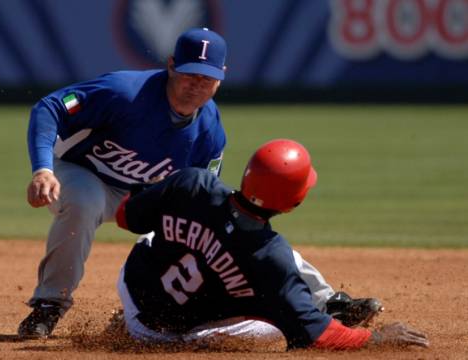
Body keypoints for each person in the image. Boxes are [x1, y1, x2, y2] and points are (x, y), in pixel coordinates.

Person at [114, 139, 429, 350]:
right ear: (294, 202)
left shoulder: (193, 183)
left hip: (132, 292)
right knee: (280, 322)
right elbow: (315, 336)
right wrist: (375, 339)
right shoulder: (269, 256)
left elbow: (125, 216)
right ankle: (325, 308)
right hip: (168, 338)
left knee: (155, 238)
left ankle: (122, 323)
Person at [18, 27, 228, 338]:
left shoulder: (210, 132)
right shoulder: (123, 91)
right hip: (79, 171)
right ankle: (49, 305)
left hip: (140, 195)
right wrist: (42, 169)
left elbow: (200, 199)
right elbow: (51, 107)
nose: (197, 84)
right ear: (171, 65)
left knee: (190, 226)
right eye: (189, 74)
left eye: (207, 78)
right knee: (84, 201)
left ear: (222, 76)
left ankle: (144, 312)